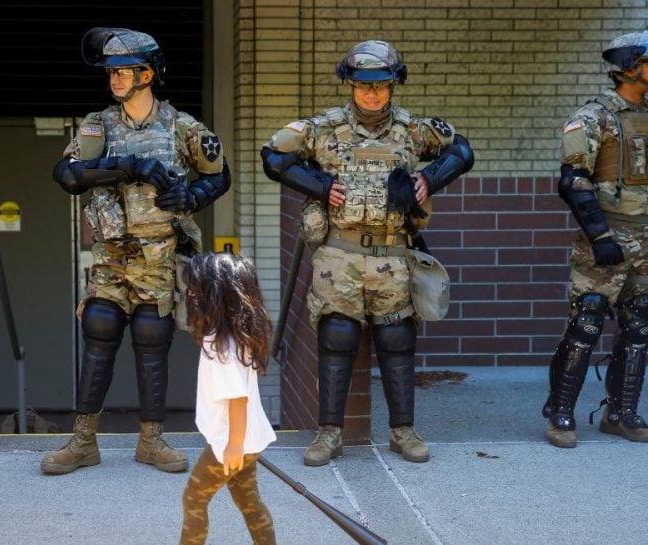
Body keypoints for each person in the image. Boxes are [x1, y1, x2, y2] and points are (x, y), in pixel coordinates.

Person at [261, 40, 474, 466]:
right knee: (336, 339)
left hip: (394, 255)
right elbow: (273, 156)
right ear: (351, 86)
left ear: (394, 85)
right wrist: (319, 186)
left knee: (397, 341)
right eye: (363, 86)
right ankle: (329, 435)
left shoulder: (414, 130)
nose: (372, 94)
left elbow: (462, 151)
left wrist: (430, 178)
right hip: (338, 256)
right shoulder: (322, 128)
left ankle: (403, 432)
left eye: (381, 86)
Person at [45, 27, 230, 475]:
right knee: (99, 327)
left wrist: (192, 197)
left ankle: (152, 440)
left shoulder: (181, 126)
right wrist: (126, 166)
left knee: (153, 337)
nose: (115, 79)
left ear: (149, 73)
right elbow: (67, 175)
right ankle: (83, 440)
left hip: (159, 255)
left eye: (124, 70)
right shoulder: (98, 125)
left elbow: (219, 175)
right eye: (111, 71)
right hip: (111, 254)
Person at [543, 23, 648, 448]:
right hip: (607, 238)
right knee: (587, 322)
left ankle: (622, 412)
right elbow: (573, 182)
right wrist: (599, 237)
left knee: (638, 329)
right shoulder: (593, 119)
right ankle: (560, 412)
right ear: (628, 68)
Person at [179, 252, 277, 545]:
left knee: (193, 499)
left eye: (197, 288)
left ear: (216, 295)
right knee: (249, 503)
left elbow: (237, 399)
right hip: (243, 441)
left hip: (231, 443)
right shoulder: (237, 335)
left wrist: (233, 445)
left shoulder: (220, 343)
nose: (191, 294)